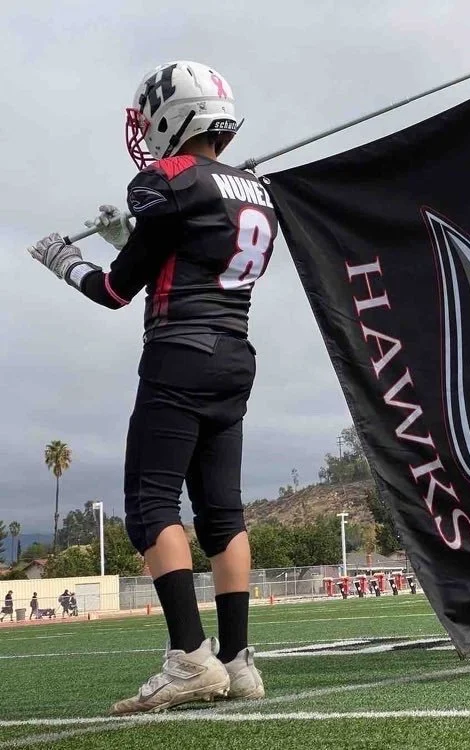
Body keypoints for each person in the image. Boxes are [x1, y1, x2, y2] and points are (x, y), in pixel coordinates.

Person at [28, 61, 273, 713]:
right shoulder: (255, 189)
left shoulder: (168, 179)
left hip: (179, 354)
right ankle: (237, 659)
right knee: (223, 511)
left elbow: (116, 289)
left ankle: (190, 658)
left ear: (175, 115)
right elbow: (189, 245)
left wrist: (67, 262)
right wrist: (130, 235)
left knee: (150, 504)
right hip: (235, 356)